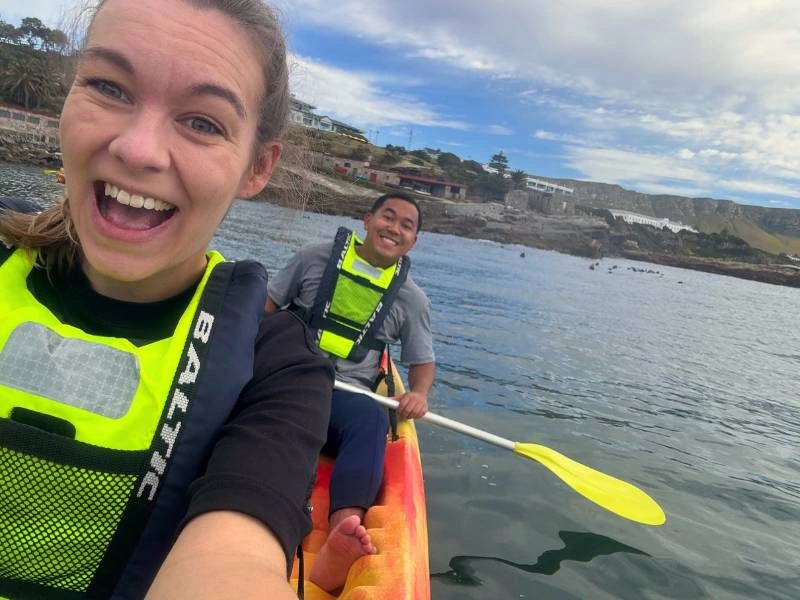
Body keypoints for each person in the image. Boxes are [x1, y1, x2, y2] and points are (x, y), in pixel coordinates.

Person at [0, 1, 332, 599]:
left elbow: (234, 562)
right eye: (108, 86)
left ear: (257, 166)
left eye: (203, 122)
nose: (139, 150)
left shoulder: (279, 368)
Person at [265, 192, 436, 592]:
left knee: (371, 419)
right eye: (387, 217)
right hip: (289, 377)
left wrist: (419, 393)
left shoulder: (412, 299)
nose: (394, 228)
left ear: (412, 241)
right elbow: (268, 306)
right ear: (367, 219)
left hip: (346, 397)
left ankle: (343, 526)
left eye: (406, 226)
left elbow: (422, 362)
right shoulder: (313, 257)